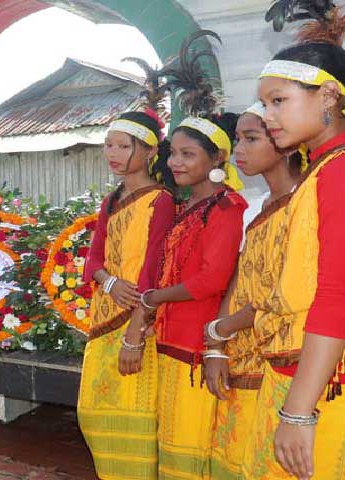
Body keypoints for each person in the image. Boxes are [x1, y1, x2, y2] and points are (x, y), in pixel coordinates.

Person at [239, 4, 345, 478]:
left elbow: (336, 294)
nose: (268, 116)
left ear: (326, 96)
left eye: (278, 101)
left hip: (321, 385)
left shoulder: (338, 171)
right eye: (264, 104)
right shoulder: (321, 169)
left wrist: (298, 413)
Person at [137, 30, 248, 478]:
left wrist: (152, 299)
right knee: (173, 444)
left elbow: (210, 280)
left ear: (216, 157)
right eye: (173, 154)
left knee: (189, 447)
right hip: (172, 336)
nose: (176, 163)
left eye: (187, 155)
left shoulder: (226, 207)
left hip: (196, 342)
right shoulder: (190, 206)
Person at [77, 58, 176, 480]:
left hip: (138, 323)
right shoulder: (111, 200)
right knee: (94, 411)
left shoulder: (162, 201)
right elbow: (94, 258)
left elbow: (156, 271)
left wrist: (135, 335)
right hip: (105, 315)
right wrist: (109, 281)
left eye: (124, 146)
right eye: (109, 145)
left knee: (133, 412)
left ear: (151, 150)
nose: (113, 154)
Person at [203, 103, 300, 479]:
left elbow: (287, 292)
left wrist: (222, 328)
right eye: (237, 139)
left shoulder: (308, 202)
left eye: (251, 138)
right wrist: (216, 346)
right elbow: (239, 281)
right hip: (242, 353)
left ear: (285, 141)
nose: (238, 150)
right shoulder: (254, 209)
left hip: (286, 351)